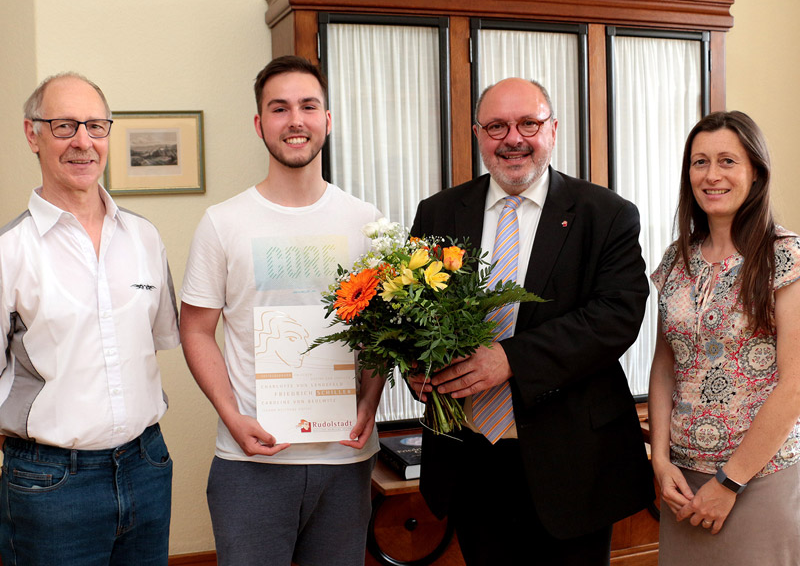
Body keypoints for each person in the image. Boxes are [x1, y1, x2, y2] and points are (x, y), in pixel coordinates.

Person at [408, 77, 654, 565]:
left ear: (553, 130)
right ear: (478, 134)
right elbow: (414, 310)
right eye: (497, 126)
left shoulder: (605, 214)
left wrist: (510, 359)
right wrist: (417, 365)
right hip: (472, 458)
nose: (513, 139)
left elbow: (616, 316)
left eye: (528, 123)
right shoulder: (438, 212)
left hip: (573, 462)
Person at [180, 56, 384, 566]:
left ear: (327, 120)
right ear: (259, 124)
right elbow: (196, 330)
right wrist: (232, 416)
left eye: (308, 106)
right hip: (253, 460)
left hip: (345, 457)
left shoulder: (368, 222)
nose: (295, 120)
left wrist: (370, 402)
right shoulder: (222, 222)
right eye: (280, 108)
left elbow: (385, 333)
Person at [0, 73, 180, 565]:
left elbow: (158, 338)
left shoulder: (145, 238)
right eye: (64, 126)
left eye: (96, 126)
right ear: (31, 134)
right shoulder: (9, 252)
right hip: (51, 485)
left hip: (146, 466)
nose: (83, 141)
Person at [648, 111, 800, 565]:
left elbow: (794, 386)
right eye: (700, 162)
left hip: (759, 478)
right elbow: (665, 365)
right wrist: (660, 460)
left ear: (755, 173)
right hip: (682, 483)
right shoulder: (677, 257)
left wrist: (729, 483)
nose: (712, 175)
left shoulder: (785, 255)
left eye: (727, 161)